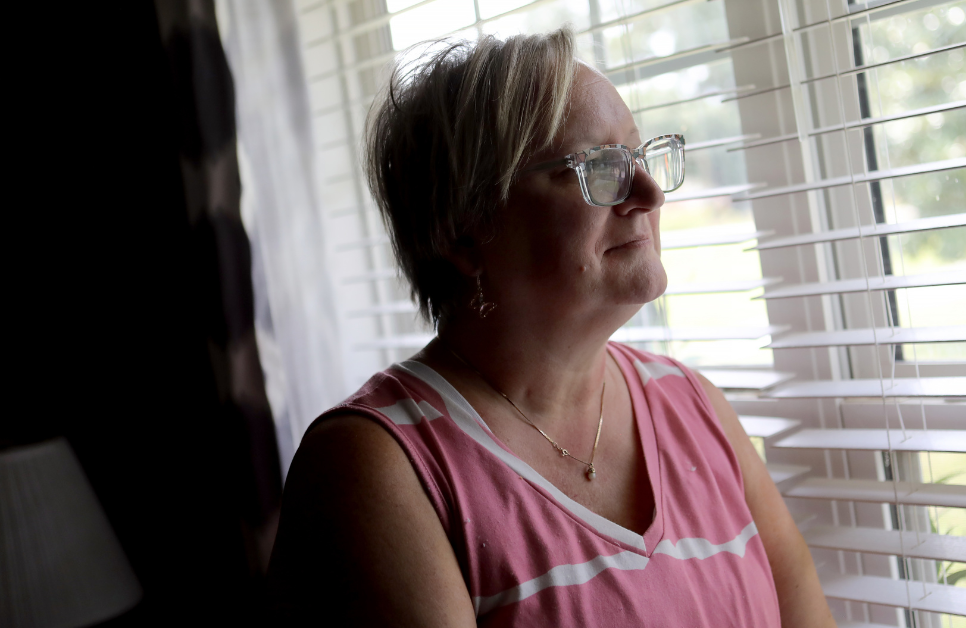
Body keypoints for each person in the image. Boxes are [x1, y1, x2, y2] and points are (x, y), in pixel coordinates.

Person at [267, 27, 836, 628]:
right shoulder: (377, 466)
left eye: (639, 157)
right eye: (599, 167)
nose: (648, 193)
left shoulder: (694, 407)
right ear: (465, 229)